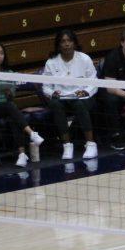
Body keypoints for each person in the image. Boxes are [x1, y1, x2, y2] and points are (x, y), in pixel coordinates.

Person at [0, 43, 45, 166]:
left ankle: (22, 155)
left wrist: (7, 91)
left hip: (7, 107)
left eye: (1, 53)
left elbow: (11, 97)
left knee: (13, 117)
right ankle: (31, 133)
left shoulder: (9, 73)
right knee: (10, 107)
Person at [42, 29, 98, 160]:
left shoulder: (84, 59)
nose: (66, 44)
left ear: (74, 43)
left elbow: (94, 81)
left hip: (83, 97)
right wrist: (52, 93)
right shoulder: (51, 62)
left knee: (79, 104)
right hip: (61, 98)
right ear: (58, 45)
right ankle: (67, 145)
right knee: (55, 104)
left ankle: (90, 144)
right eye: (63, 41)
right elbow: (45, 86)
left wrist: (86, 92)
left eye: (69, 41)